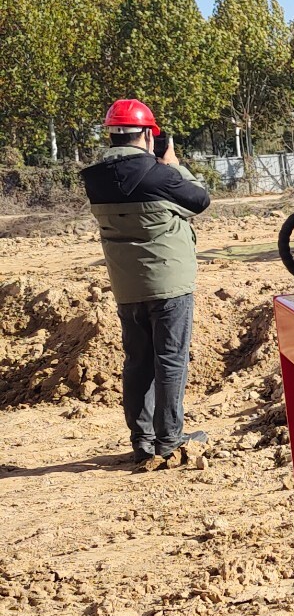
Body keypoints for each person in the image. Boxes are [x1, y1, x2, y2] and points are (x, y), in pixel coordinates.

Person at [81, 99, 210, 471]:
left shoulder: (94, 178)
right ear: (149, 135)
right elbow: (199, 200)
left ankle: (142, 442)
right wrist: (173, 165)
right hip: (170, 284)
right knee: (170, 360)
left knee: (137, 361)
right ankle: (170, 439)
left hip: (126, 285)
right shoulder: (159, 174)